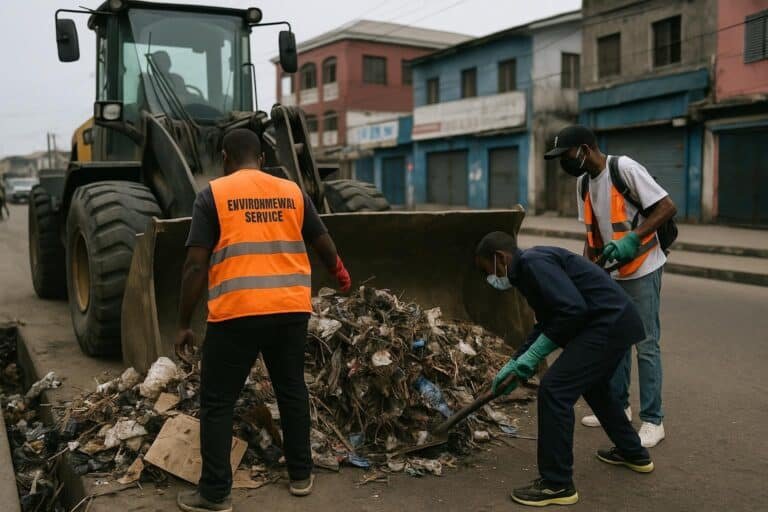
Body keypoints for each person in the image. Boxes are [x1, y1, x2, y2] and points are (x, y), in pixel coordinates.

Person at [174, 128, 352, 512]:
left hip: (236, 313)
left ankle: (215, 493)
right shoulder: (292, 192)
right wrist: (339, 272)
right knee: (291, 390)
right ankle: (301, 476)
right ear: (262, 158)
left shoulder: (214, 195)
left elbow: (194, 265)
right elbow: (323, 243)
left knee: (218, 403)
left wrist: (183, 322)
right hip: (290, 312)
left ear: (224, 157)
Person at [476, 232, 654, 507]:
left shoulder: (534, 264)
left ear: (500, 258)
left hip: (607, 323)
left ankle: (557, 484)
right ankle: (633, 452)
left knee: (555, 391)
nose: (490, 279)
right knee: (595, 388)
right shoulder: (527, 270)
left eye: (488, 271)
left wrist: (534, 356)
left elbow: (572, 311)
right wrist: (516, 361)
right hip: (615, 321)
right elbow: (547, 321)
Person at [544, 125, 676, 448]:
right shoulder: (583, 183)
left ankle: (653, 420)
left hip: (644, 266)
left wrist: (634, 238)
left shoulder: (624, 168)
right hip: (612, 273)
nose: (564, 162)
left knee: (645, 344)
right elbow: (593, 233)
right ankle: (619, 406)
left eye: (567, 155)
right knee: (616, 341)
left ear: (585, 150)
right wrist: (584, 274)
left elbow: (666, 206)